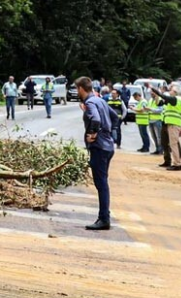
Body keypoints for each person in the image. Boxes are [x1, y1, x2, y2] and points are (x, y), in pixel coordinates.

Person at [77, 76, 117, 230]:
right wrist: (109, 133)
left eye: (77, 89)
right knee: (103, 183)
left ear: (81, 88)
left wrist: (93, 133)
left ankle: (104, 219)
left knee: (101, 184)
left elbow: (96, 119)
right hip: (107, 146)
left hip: (99, 148)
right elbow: (115, 117)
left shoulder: (90, 102)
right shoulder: (100, 100)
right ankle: (104, 216)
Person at [152, 86, 181, 171]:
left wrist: (157, 91)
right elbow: (159, 103)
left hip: (173, 124)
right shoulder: (174, 101)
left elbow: (164, 97)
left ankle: (177, 164)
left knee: (173, 144)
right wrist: (157, 96)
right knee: (169, 143)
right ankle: (171, 161)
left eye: (171, 90)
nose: (170, 91)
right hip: (170, 123)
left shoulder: (176, 100)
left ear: (175, 92)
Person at [144, 84, 165, 155]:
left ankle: (160, 150)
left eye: (153, 92)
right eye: (151, 92)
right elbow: (149, 108)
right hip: (150, 120)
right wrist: (146, 109)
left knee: (159, 136)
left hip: (157, 120)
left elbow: (160, 110)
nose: (152, 93)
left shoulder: (160, 100)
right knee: (154, 137)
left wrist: (150, 109)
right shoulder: (150, 100)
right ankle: (157, 149)